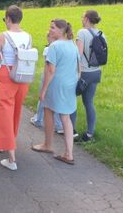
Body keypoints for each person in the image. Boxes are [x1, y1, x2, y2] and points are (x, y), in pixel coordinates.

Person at [0, 5, 31, 171]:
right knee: (15, 112)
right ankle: (8, 141)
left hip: (7, 74)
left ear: (8, 18)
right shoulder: (28, 36)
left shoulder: (2, 36)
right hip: (23, 76)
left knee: (3, 112)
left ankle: (11, 158)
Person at [32, 19, 79, 165]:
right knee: (66, 117)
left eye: (52, 28)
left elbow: (50, 70)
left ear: (60, 30)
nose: (50, 29)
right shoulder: (72, 44)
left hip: (56, 84)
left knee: (48, 111)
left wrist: (43, 90)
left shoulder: (54, 46)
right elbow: (79, 68)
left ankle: (47, 144)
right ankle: (69, 153)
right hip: (70, 84)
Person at [72, 10, 105, 142]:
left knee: (71, 100)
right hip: (96, 72)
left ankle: (72, 131)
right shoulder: (101, 33)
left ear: (86, 18)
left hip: (83, 73)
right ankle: (90, 134)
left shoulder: (82, 32)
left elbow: (78, 54)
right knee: (89, 102)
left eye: (82, 17)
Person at [30, 32, 63, 134]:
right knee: (56, 100)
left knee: (42, 99)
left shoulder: (48, 49)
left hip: (48, 76)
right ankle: (58, 125)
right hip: (58, 77)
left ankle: (38, 119)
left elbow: (47, 66)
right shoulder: (60, 48)